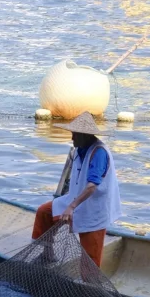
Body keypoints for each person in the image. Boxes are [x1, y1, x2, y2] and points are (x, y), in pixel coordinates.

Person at [30, 110, 121, 269]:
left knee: (89, 260)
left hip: (94, 209)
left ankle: (90, 281)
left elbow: (92, 185)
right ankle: (47, 254)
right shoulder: (79, 149)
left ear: (85, 135)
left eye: (75, 135)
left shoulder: (99, 153)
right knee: (44, 213)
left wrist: (71, 207)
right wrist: (68, 201)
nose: (72, 138)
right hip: (74, 199)